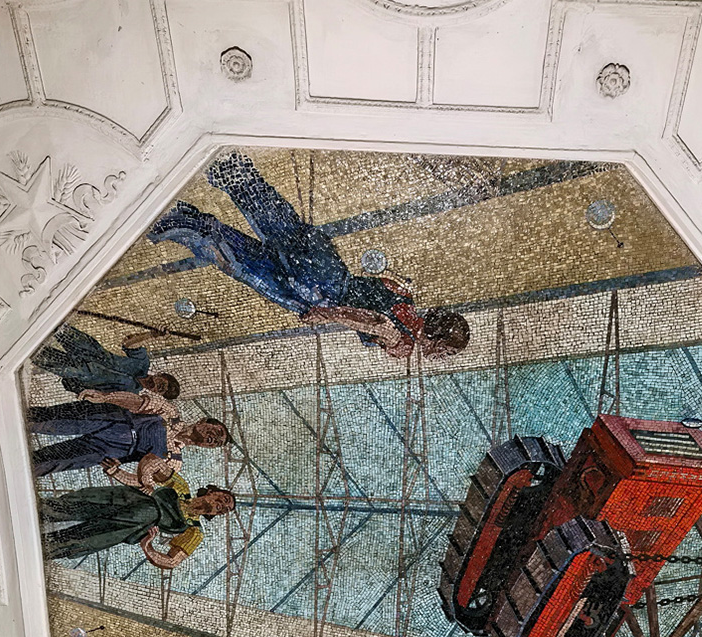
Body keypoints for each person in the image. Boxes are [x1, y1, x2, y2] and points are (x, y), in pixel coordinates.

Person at [148, 151, 470, 361]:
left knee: (276, 224)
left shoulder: (404, 296)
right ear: (438, 341)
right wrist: (325, 314)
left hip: (329, 268)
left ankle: (227, 168)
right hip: (317, 294)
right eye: (445, 352)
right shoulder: (403, 341)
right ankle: (182, 222)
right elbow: (373, 321)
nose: (439, 357)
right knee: (246, 264)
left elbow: (377, 288)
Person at [39, 476, 235, 569]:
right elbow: (152, 463)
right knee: (69, 506)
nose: (223, 506)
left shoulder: (194, 531)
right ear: (212, 491)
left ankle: (38, 548)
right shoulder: (181, 486)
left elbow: (172, 561)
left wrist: (148, 547)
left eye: (225, 510)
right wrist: (146, 480)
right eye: (225, 499)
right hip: (124, 499)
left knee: (75, 542)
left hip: (128, 527)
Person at [27, 400, 228, 477]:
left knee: (54, 461)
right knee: (50, 421)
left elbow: (144, 482)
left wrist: (117, 473)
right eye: (216, 431)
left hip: (112, 451)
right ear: (204, 421)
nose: (213, 438)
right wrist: (103, 397)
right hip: (114, 421)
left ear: (206, 448)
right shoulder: (170, 412)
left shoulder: (174, 461)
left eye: (216, 443)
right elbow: (135, 402)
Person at [32, 324, 180, 399]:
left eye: (159, 390)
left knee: (36, 353)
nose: (156, 386)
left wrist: (81, 391)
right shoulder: (142, 363)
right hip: (88, 348)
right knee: (55, 326)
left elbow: (102, 396)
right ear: (161, 375)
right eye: (161, 383)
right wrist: (152, 335)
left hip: (78, 372)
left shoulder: (131, 393)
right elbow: (128, 344)